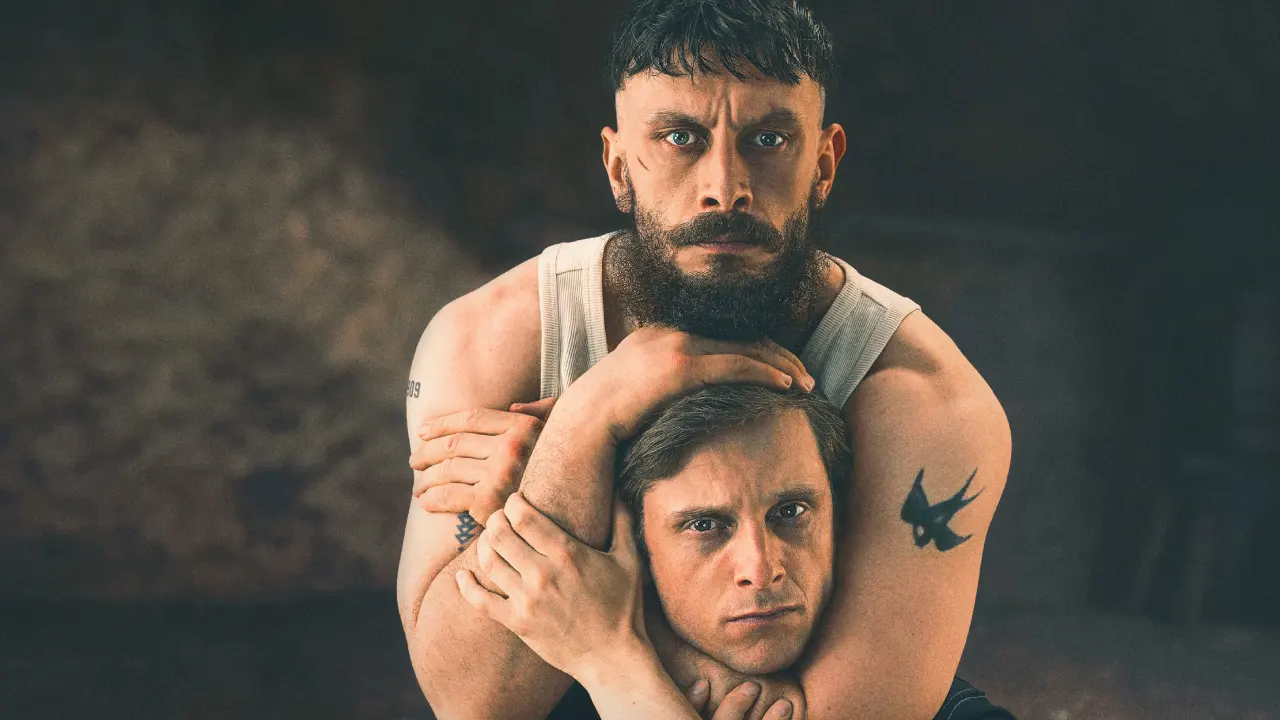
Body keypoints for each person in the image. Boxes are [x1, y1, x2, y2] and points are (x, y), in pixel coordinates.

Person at [396, 1, 1012, 718]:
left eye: (769, 139)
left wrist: (600, 611)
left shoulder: (925, 399)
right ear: (618, 167)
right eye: (680, 138)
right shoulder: (491, 341)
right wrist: (588, 417)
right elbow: (473, 701)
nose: (726, 186)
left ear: (823, 164)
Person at [454, 381, 1014, 719]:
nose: (761, 568)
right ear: (637, 546)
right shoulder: (542, 705)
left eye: (791, 512)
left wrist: (612, 659)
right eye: (705, 525)